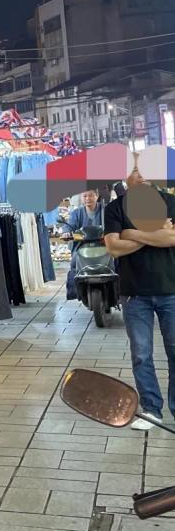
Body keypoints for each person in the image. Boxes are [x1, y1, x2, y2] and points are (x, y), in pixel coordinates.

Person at [104, 170, 175, 429]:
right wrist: (156, 234)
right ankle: (152, 409)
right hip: (134, 293)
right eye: (136, 170)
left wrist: (133, 234)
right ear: (126, 177)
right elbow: (113, 247)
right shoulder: (115, 208)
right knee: (141, 355)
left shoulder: (170, 202)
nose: (142, 175)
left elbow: (173, 238)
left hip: (171, 290)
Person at [65, 188, 106, 300]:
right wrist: (66, 232)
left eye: (91, 195)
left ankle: (120, 292)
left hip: (104, 246)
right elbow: (69, 226)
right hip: (83, 247)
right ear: (81, 198)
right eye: (85, 196)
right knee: (74, 262)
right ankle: (75, 292)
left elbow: (114, 222)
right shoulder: (76, 213)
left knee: (117, 262)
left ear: (97, 196)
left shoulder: (106, 210)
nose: (88, 198)